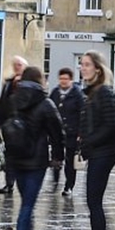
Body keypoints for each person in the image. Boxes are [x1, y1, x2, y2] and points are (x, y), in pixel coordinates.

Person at [6, 65, 63, 230]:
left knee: (25, 202)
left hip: (15, 158)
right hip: (36, 160)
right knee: (28, 204)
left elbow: (2, 122)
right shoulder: (45, 103)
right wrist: (58, 157)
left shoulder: (13, 99)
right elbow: (58, 133)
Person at [73, 50, 115, 230]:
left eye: (86, 65)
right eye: (81, 64)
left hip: (104, 153)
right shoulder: (92, 93)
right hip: (98, 152)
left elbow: (112, 125)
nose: (82, 68)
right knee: (93, 201)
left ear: (98, 69)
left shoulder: (103, 93)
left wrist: (91, 140)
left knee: (94, 201)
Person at [49, 67, 85, 196]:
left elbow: (83, 114)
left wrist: (81, 132)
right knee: (56, 158)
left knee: (70, 160)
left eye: (66, 79)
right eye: (61, 79)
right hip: (57, 132)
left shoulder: (77, 94)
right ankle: (55, 182)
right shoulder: (54, 93)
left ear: (71, 80)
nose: (63, 81)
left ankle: (69, 185)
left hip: (72, 131)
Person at [0, 55, 27, 195]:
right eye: (15, 64)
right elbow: (2, 105)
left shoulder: (29, 83)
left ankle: (22, 181)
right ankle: (9, 183)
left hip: (24, 126)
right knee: (9, 155)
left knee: (22, 155)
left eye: (19, 64)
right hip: (9, 124)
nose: (17, 67)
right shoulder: (8, 84)